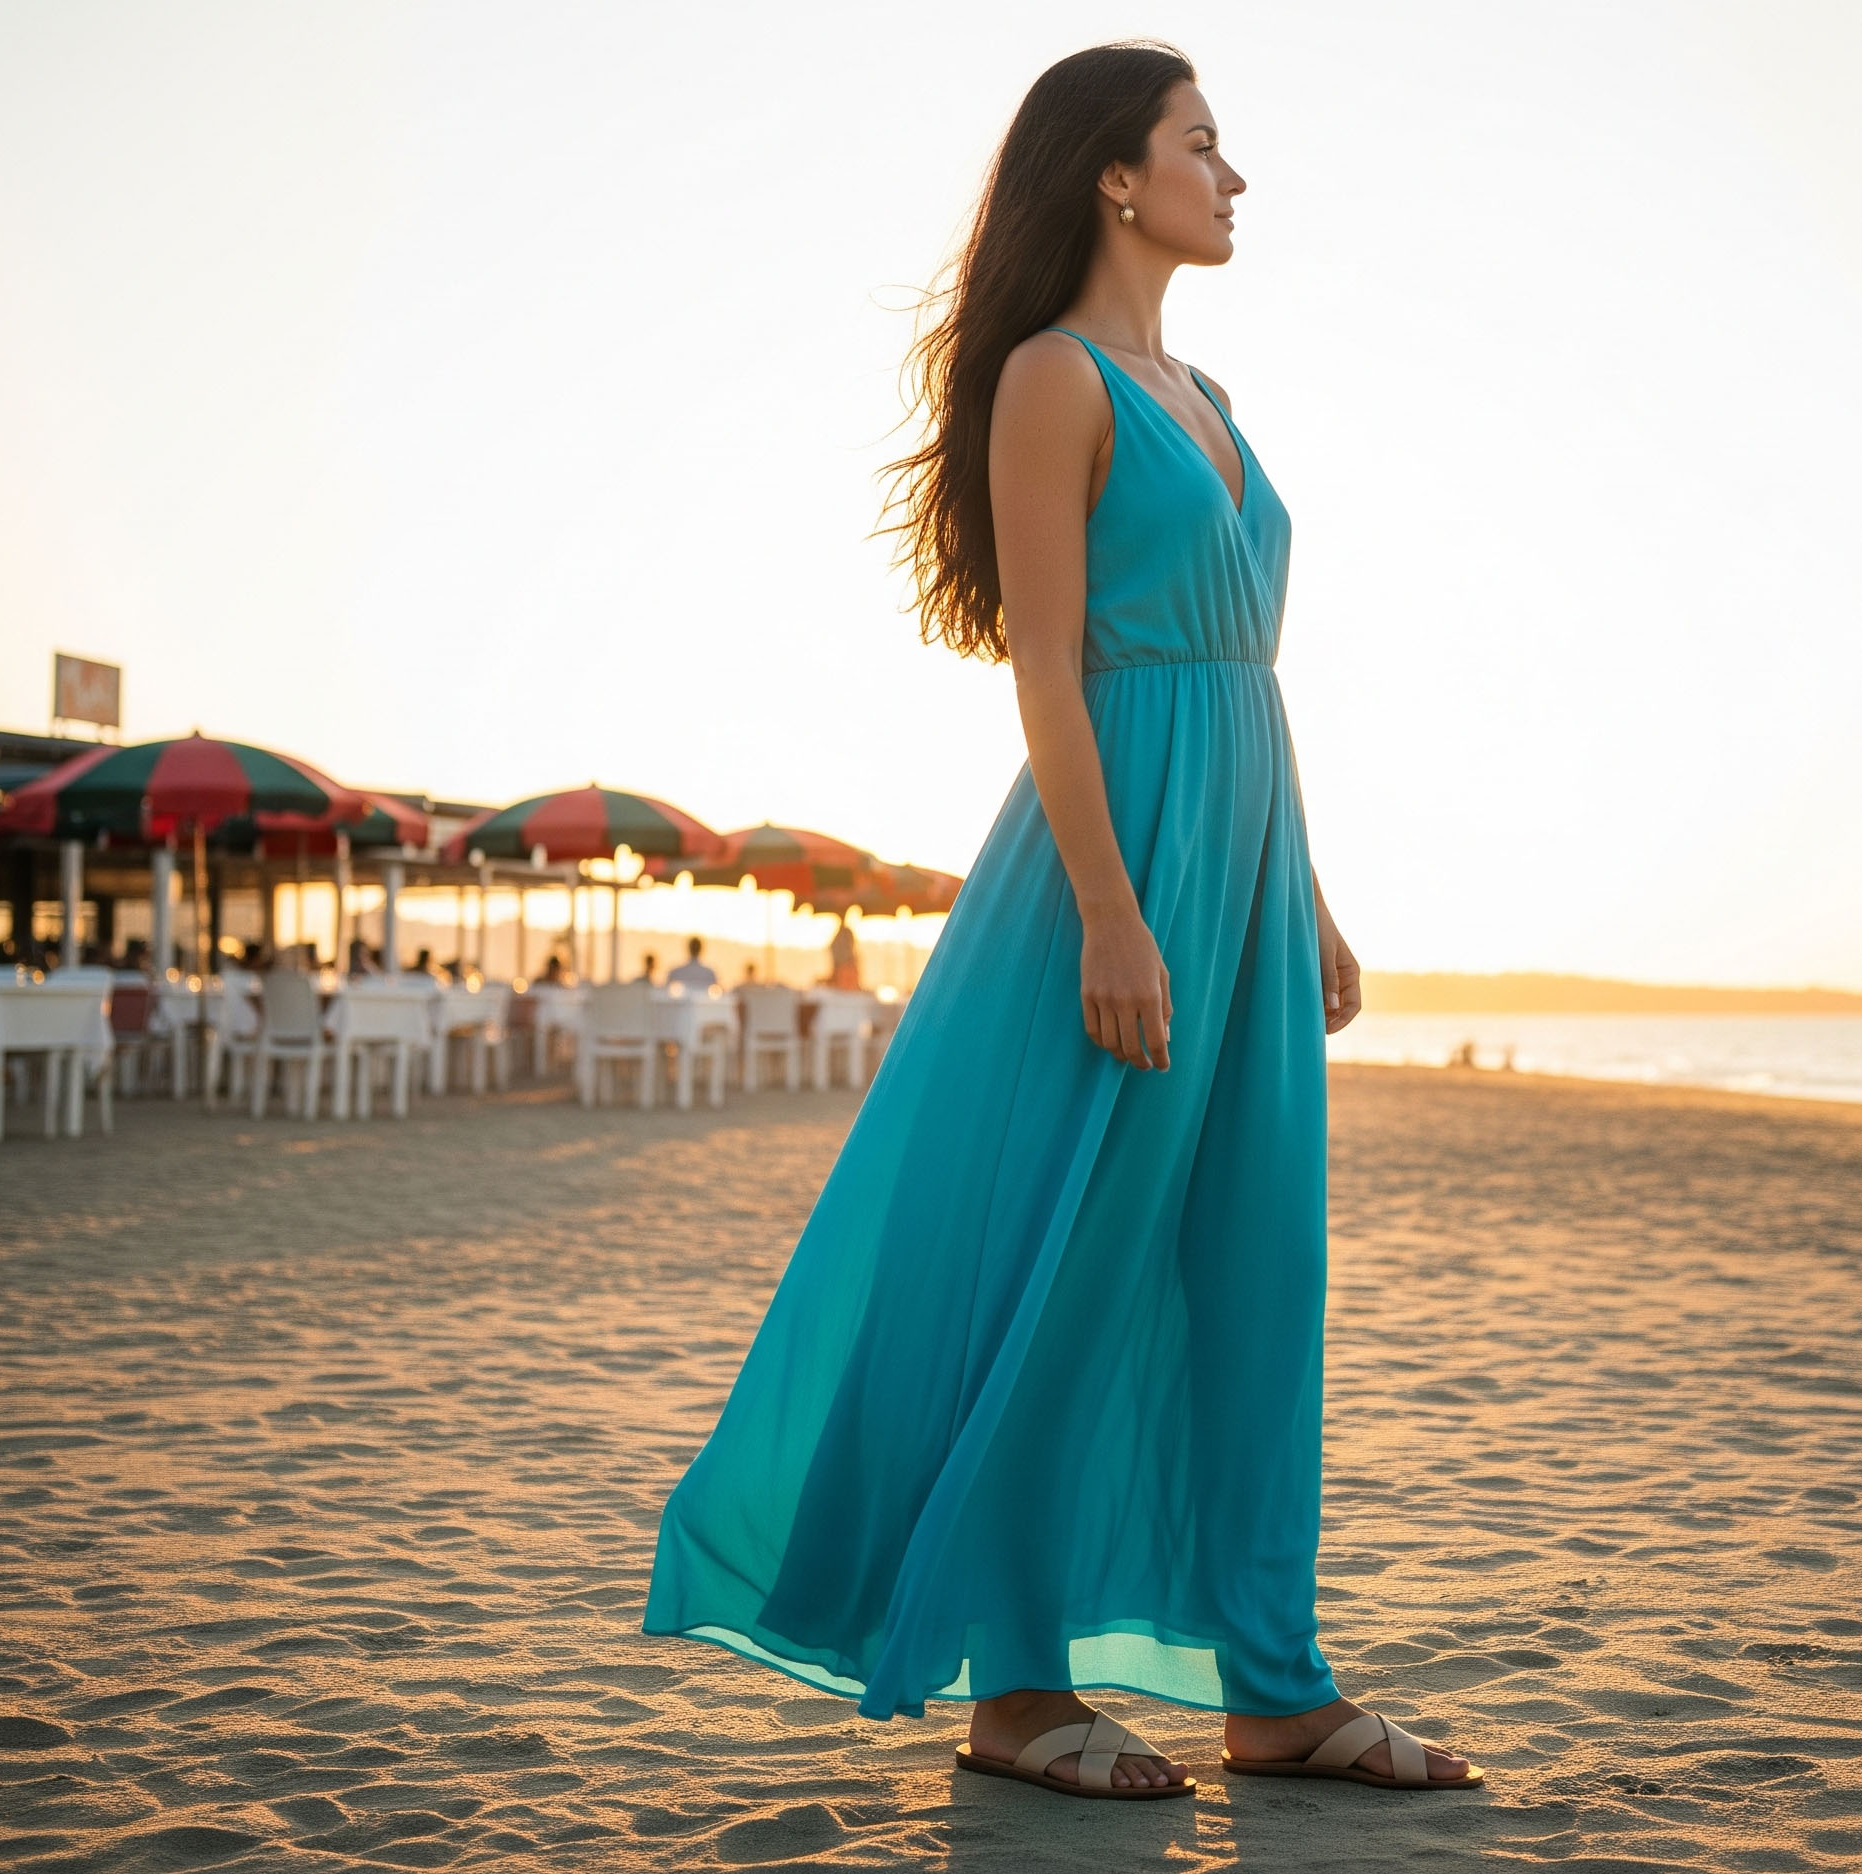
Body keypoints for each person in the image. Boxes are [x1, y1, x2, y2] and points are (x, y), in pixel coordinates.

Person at [643, 42, 1478, 1801]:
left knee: (1261, 1269)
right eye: (1202, 143)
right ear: (1115, 175)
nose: (1232, 176)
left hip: (1244, 864)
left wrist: (1306, 894)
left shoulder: (1214, 397)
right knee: (1070, 1264)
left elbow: (1252, 670)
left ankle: (1274, 1682)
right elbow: (1046, 660)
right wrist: (1110, 910)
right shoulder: (1054, 377)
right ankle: (1017, 1688)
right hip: (1118, 861)